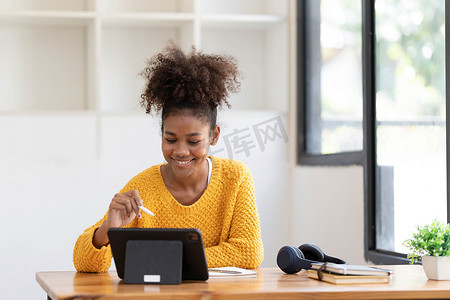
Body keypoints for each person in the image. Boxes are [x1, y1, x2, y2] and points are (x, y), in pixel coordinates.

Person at [73, 42, 264, 272]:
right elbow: (84, 263)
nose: (181, 151)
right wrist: (108, 229)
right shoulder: (143, 187)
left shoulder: (236, 178)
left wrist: (166, 255)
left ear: (214, 136)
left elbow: (249, 253)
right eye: (170, 139)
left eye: (193, 141)